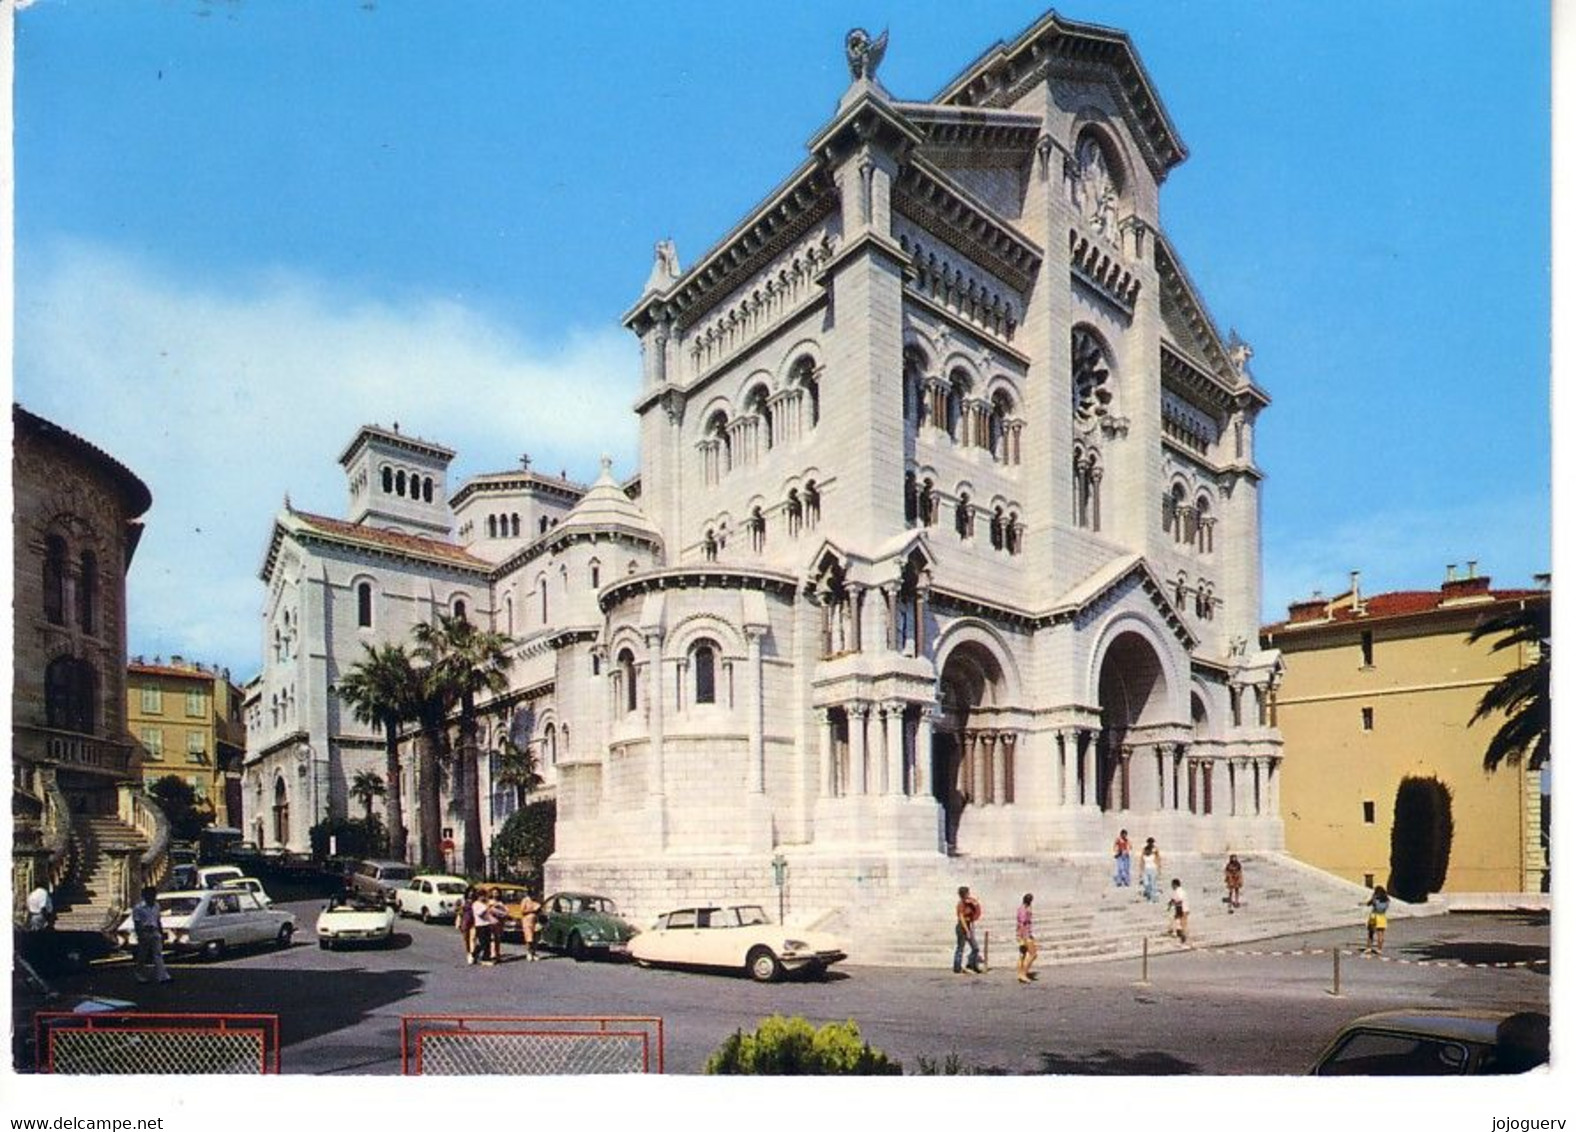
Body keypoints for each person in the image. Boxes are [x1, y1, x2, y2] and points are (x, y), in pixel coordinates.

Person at [131, 886, 171, 984]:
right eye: (150, 895)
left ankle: (162, 976)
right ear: (145, 896)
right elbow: (137, 923)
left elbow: (158, 920)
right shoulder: (138, 908)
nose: (152, 897)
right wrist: (140, 935)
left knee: (158, 954)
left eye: (154, 895)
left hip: (155, 931)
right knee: (143, 956)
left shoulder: (157, 906)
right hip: (144, 932)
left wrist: (161, 933)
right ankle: (139, 973)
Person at [952, 886, 983, 974]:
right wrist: (967, 931)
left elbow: (977, 910)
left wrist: (974, 903)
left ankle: (971, 964)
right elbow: (961, 918)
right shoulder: (960, 904)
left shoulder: (969, 902)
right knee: (960, 948)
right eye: (968, 893)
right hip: (962, 927)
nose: (969, 894)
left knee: (975, 948)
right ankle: (957, 968)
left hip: (969, 926)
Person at [1015, 893, 1038, 984]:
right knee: (1033, 954)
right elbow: (1022, 924)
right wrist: (1024, 937)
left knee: (1022, 955)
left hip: (1023, 935)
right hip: (1025, 935)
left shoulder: (1020, 909)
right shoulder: (1025, 910)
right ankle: (1023, 973)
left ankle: (1020, 974)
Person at [1363, 885, 1390, 953]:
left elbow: (1369, 903)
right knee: (1380, 934)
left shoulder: (1375, 898)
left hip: (1374, 916)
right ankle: (1379, 949)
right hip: (1382, 917)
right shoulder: (1387, 900)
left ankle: (1369, 948)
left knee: (1371, 933)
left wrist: (1372, 898)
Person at [519, 891, 542, 961]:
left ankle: (534, 952)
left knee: (536, 937)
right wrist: (533, 910)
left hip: (536, 921)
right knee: (529, 938)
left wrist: (539, 910)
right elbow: (522, 911)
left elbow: (540, 910)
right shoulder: (525, 900)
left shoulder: (538, 900)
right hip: (527, 921)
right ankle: (529, 952)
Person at [457, 886, 477, 964]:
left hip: (474, 921)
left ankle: (472, 953)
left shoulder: (476, 901)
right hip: (465, 921)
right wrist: (458, 921)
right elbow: (459, 912)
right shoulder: (463, 901)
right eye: (469, 891)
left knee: (473, 937)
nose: (471, 893)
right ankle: (468, 952)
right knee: (466, 938)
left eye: (472, 892)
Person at [1167, 879, 1190, 945]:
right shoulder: (1178, 891)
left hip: (1182, 909)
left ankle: (1184, 939)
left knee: (1182, 925)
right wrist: (1170, 904)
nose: (1171, 886)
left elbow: (1179, 900)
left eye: (1172, 885)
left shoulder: (1179, 891)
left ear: (1175, 885)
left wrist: (1173, 903)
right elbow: (1173, 899)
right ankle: (1182, 938)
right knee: (1179, 924)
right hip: (1181, 909)